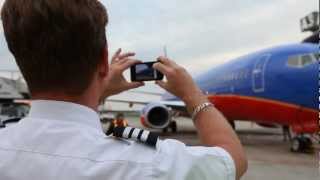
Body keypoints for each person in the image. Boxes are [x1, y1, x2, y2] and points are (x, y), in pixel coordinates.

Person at [0, 0, 247, 180]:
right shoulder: (152, 164)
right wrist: (193, 95)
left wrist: (100, 89)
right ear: (103, 60)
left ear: (19, 57)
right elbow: (233, 161)